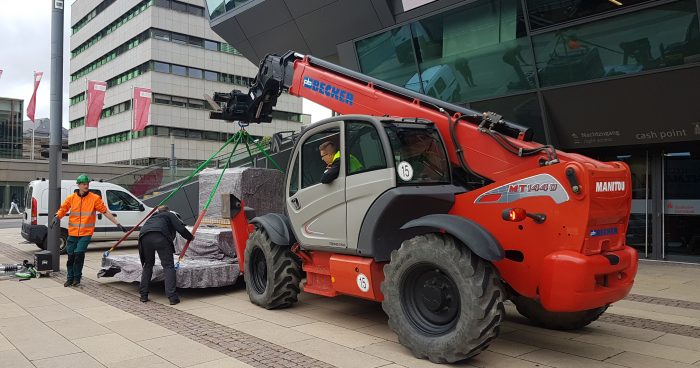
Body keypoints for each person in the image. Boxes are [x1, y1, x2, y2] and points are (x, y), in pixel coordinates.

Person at [50, 174, 126, 287]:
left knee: (79, 254)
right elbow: (63, 209)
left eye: (87, 184)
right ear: (79, 185)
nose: (86, 186)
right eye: (84, 184)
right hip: (73, 232)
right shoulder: (71, 198)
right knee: (71, 257)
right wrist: (56, 217)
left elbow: (105, 211)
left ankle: (77, 278)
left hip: (86, 233)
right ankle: (69, 278)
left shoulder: (95, 198)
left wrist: (117, 223)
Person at [138, 205, 193, 305]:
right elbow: (181, 228)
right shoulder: (170, 215)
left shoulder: (153, 216)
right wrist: (190, 237)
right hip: (160, 237)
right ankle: (172, 297)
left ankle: (143, 295)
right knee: (168, 266)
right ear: (168, 211)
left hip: (144, 237)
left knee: (148, 265)